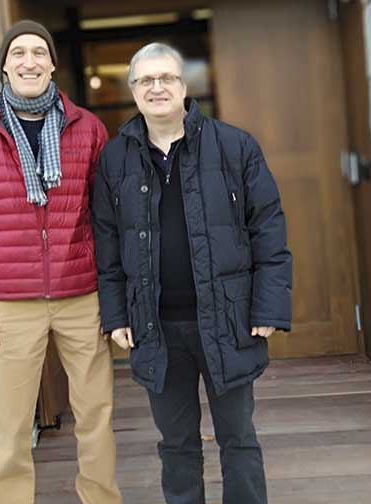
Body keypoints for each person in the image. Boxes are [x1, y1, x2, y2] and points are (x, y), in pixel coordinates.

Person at [92, 42, 292, 504]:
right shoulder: (114, 159)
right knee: (176, 445)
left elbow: (268, 229)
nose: (156, 87)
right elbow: (106, 245)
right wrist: (116, 314)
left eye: (166, 78)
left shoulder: (234, 146)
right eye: (146, 80)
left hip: (228, 320)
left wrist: (269, 306)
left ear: (184, 87)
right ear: (134, 91)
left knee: (238, 438)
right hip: (155, 326)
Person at [0, 20, 122, 504]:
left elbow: (107, 217)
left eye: (39, 52)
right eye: (18, 52)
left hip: (82, 293)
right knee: (13, 426)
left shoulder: (88, 129)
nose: (29, 61)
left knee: (96, 414)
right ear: (4, 63)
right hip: (9, 302)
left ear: (52, 64)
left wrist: (114, 291)